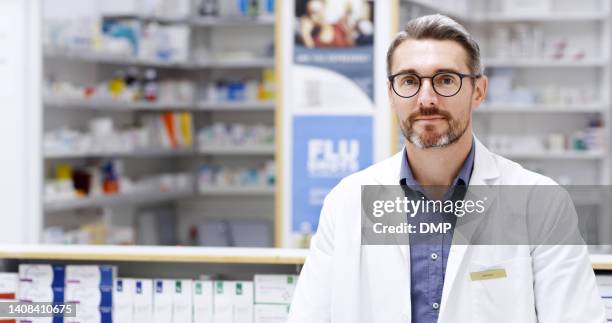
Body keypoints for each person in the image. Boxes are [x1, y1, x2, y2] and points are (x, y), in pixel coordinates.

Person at [287, 14, 606, 323]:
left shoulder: (541, 203)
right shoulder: (345, 202)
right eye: (409, 81)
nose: (426, 98)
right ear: (391, 93)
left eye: (445, 80)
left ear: (478, 91)